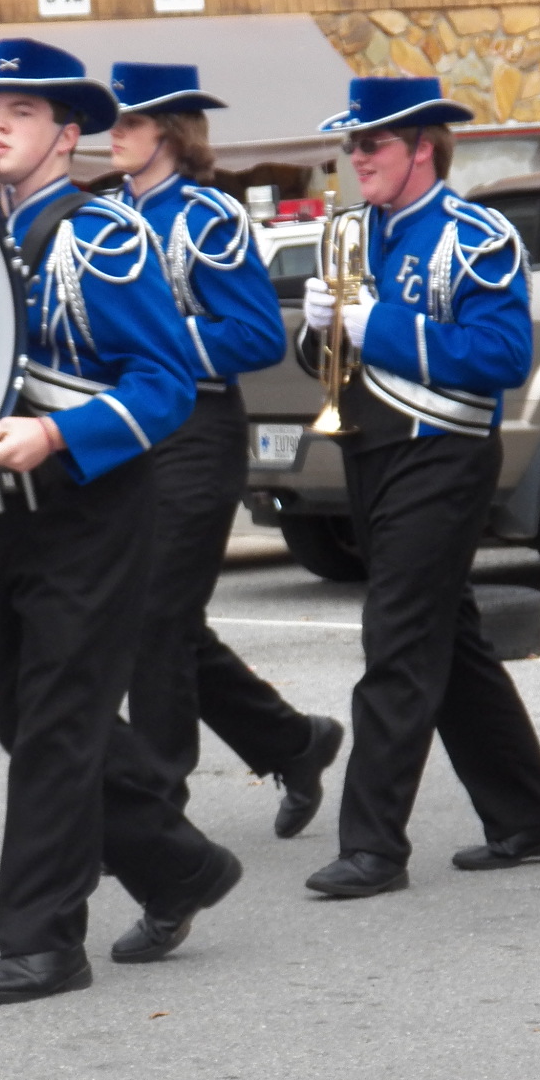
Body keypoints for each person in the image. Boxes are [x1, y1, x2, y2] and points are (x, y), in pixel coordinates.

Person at [0, 39, 239, 1002]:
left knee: (60, 726)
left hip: (90, 509)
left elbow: (165, 389)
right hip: (3, 511)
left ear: (66, 138)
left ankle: (43, 941)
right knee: (17, 714)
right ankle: (179, 866)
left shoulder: (102, 239)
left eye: (20, 113)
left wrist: (61, 435)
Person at [298, 77, 540, 900]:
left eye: (372, 144)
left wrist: (373, 325)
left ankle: (373, 846)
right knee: (447, 643)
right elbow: (338, 372)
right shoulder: (352, 234)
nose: (357, 159)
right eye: (352, 146)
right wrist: (321, 336)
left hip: (443, 454)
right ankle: (529, 816)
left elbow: (500, 357)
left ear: (423, 148)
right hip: (373, 456)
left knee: (397, 643)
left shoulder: (476, 236)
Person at [103, 61, 344, 838]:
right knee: (163, 621)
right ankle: (293, 740)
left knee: (154, 623)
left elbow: (249, 334)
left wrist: (154, 341)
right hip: (126, 441)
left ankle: (161, 809)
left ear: (170, 134)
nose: (116, 134)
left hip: (195, 435)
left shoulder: (208, 218)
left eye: (131, 122)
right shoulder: (103, 216)